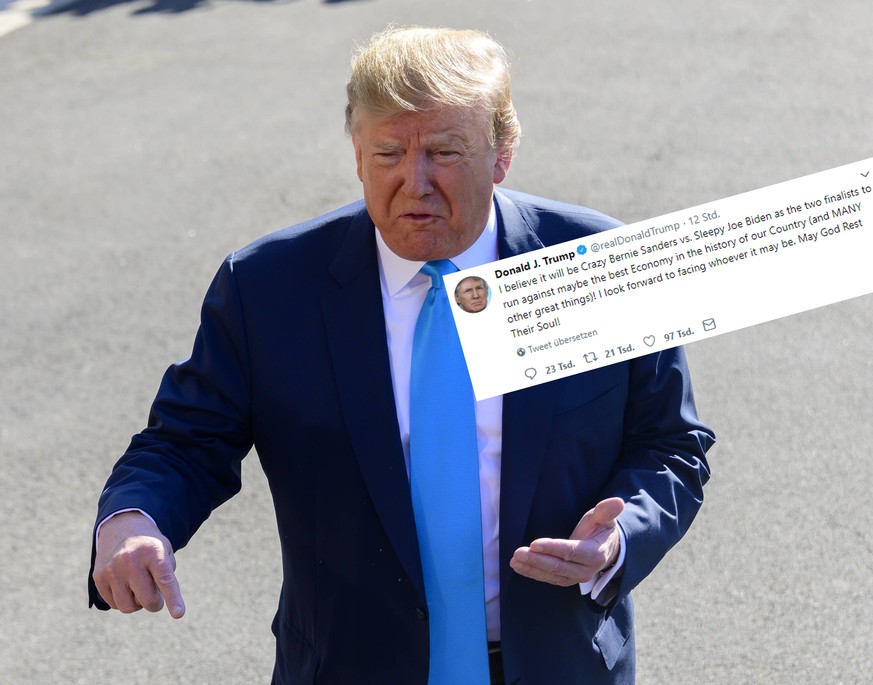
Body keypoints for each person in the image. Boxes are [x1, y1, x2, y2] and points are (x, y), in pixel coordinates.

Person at [89, 26, 714, 685]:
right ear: (357, 152)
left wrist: (618, 540)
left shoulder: (599, 263)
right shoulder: (268, 287)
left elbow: (670, 444)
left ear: (502, 153)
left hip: (559, 665)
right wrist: (133, 516)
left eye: (444, 152)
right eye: (388, 152)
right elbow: (187, 441)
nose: (413, 182)